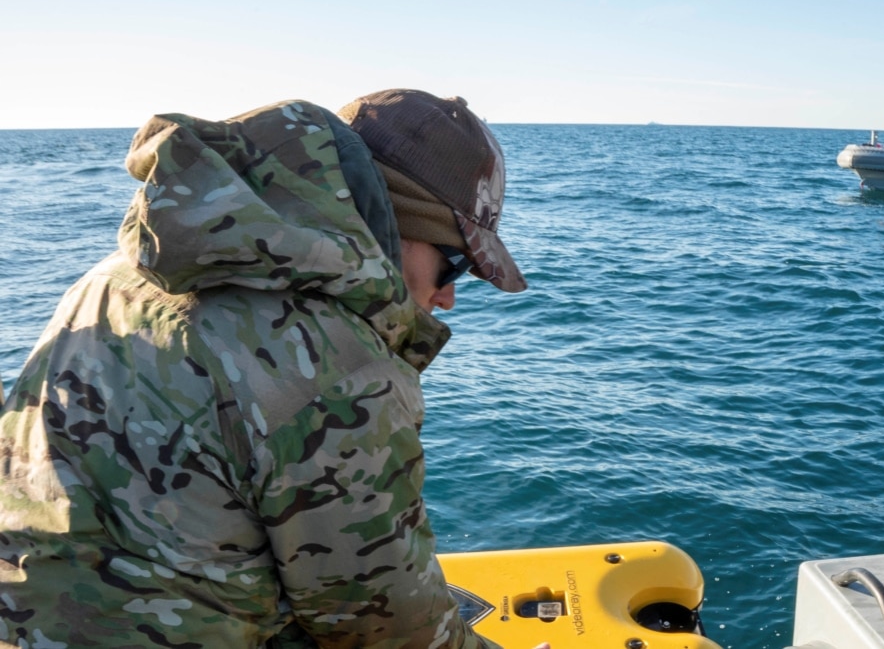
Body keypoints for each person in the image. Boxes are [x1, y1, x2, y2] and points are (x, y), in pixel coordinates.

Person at [0, 89, 546, 649]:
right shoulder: (338, 367)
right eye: (453, 261)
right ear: (391, 222)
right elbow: (386, 630)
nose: (449, 297)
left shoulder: (119, 274)